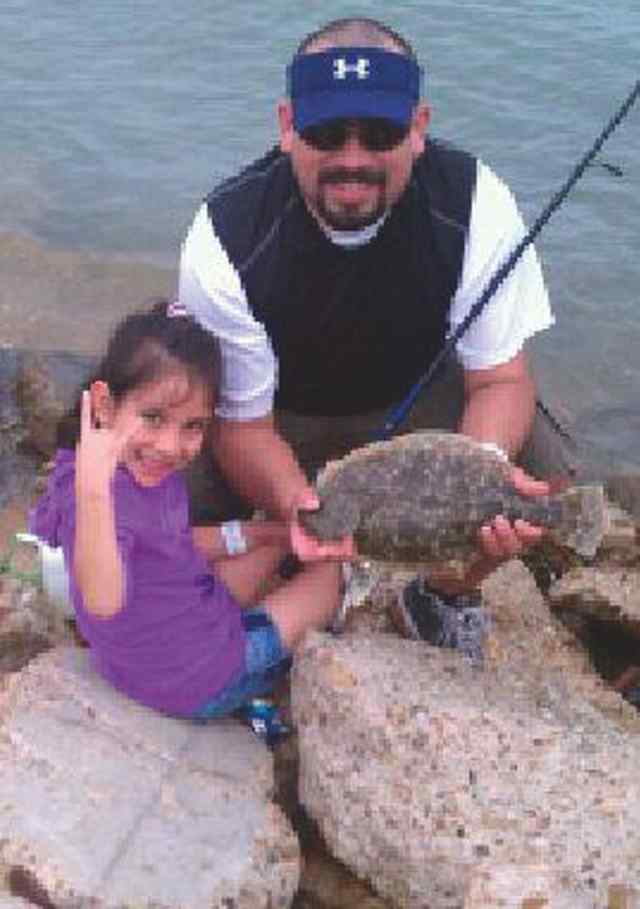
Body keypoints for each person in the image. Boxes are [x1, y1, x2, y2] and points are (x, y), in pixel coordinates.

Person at [178, 17, 572, 643]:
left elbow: (500, 378)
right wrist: (303, 508)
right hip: (281, 417)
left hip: (421, 404)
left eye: (381, 134)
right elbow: (243, 426)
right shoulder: (225, 236)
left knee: (541, 488)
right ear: (287, 127)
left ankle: (440, 593)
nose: (353, 160)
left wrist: (479, 475)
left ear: (419, 129)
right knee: (158, 488)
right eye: (327, 133)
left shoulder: (475, 202)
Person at [29, 301, 342, 720]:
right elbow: (102, 598)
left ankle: (277, 550)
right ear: (103, 404)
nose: (171, 446)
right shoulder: (94, 495)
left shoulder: (131, 469)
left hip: (151, 643)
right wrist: (93, 495)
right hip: (196, 682)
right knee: (331, 573)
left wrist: (273, 535)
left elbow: (169, 543)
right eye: (153, 417)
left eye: (193, 426)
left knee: (282, 541)